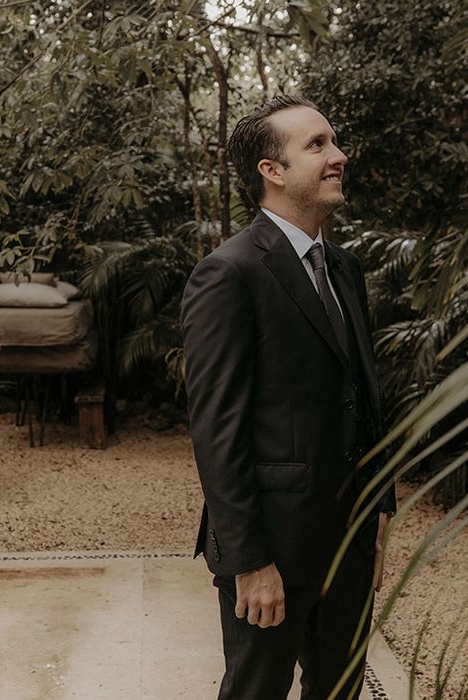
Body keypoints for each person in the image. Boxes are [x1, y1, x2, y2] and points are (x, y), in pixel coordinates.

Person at [180, 95, 397, 700]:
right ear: (271, 172)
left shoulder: (345, 268)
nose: (339, 156)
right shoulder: (229, 273)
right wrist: (250, 561)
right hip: (272, 549)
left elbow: (364, 397)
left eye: (334, 142)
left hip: (350, 541)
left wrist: (379, 509)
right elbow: (216, 429)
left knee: (340, 690)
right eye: (318, 145)